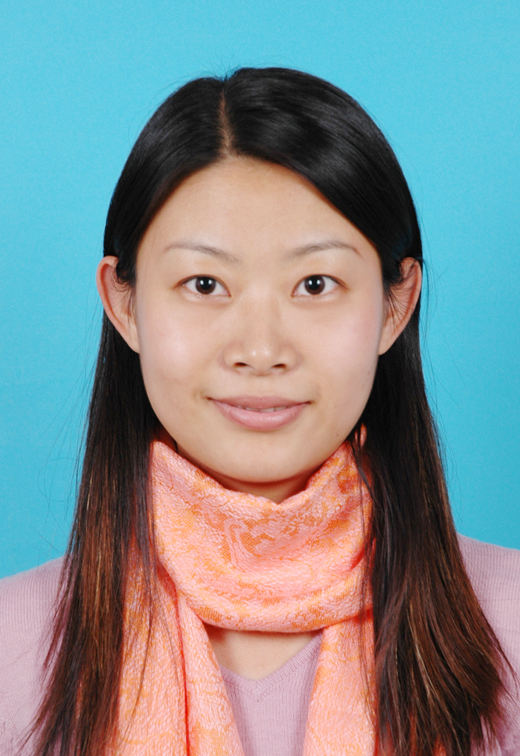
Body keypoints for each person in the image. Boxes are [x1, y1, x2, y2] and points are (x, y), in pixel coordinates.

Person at [0, 67, 519, 756]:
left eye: (315, 284)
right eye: (204, 283)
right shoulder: (12, 645)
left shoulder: (509, 619)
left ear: (395, 306)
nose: (261, 350)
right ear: (125, 305)